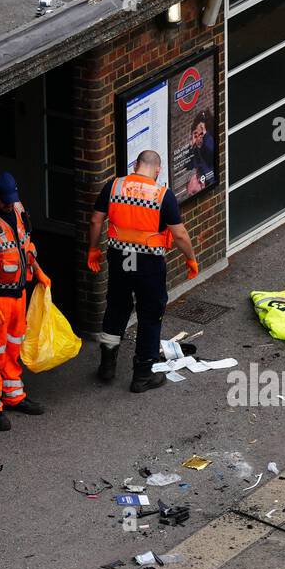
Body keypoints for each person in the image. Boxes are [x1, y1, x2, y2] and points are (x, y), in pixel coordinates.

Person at [88, 150, 200, 392]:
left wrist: (93, 250)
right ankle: (142, 375)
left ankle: (107, 365)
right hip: (148, 262)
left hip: (121, 259)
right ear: (157, 170)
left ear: (135, 165)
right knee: (149, 313)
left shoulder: (114, 187)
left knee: (117, 306)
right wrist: (190, 259)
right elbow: (179, 234)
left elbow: (96, 220)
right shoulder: (162, 195)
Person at [0, 172, 49, 430]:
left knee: (13, 348)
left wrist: (37, 270)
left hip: (18, 294)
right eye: (4, 200)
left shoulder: (18, 210)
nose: (8, 204)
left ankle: (13, 395)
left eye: (11, 199)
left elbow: (25, 246)